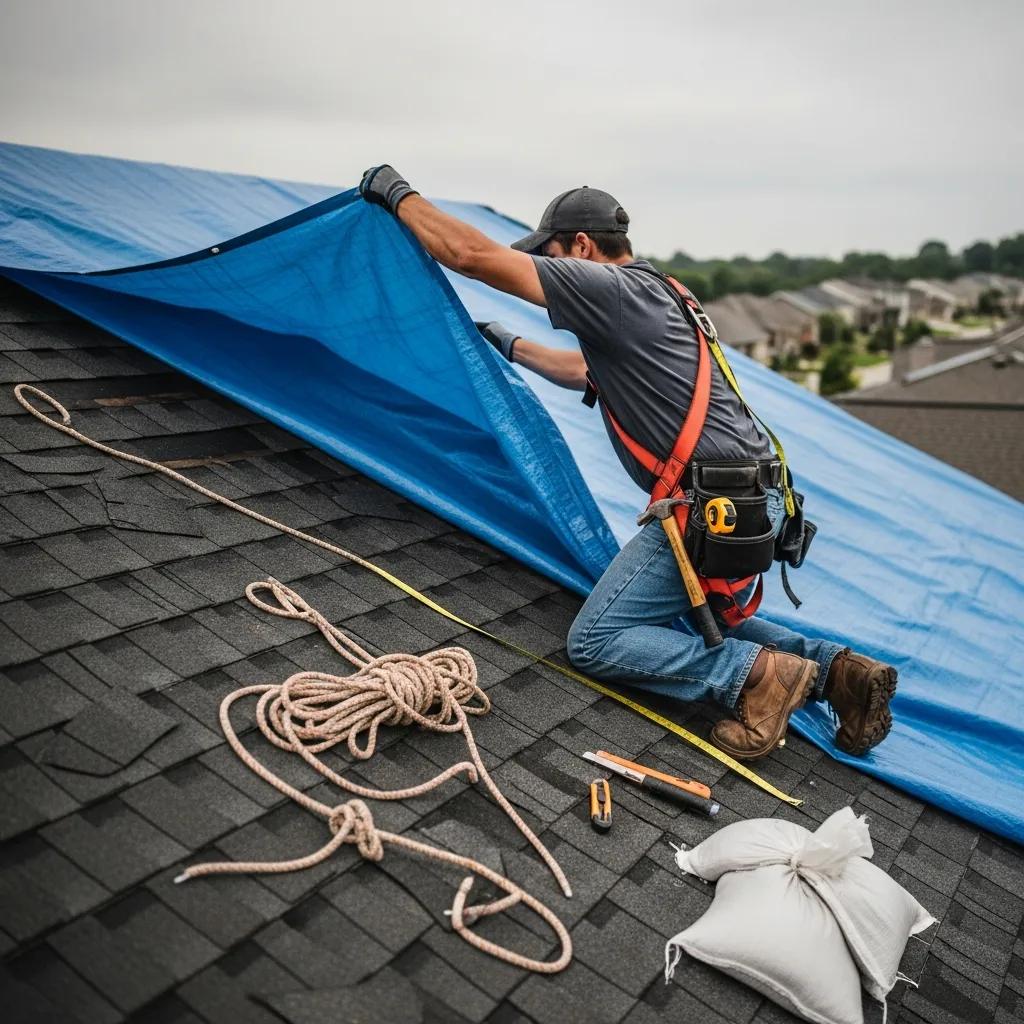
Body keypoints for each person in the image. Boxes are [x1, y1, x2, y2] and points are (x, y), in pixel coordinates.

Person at [358, 165, 896, 761]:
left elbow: (469, 254)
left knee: (597, 641)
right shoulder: (661, 294)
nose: (554, 266)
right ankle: (839, 674)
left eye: (555, 255)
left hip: (709, 505)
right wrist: (505, 342)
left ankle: (758, 679)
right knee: (705, 613)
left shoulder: (609, 289)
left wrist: (394, 192)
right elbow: (586, 373)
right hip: (753, 496)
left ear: (582, 248)